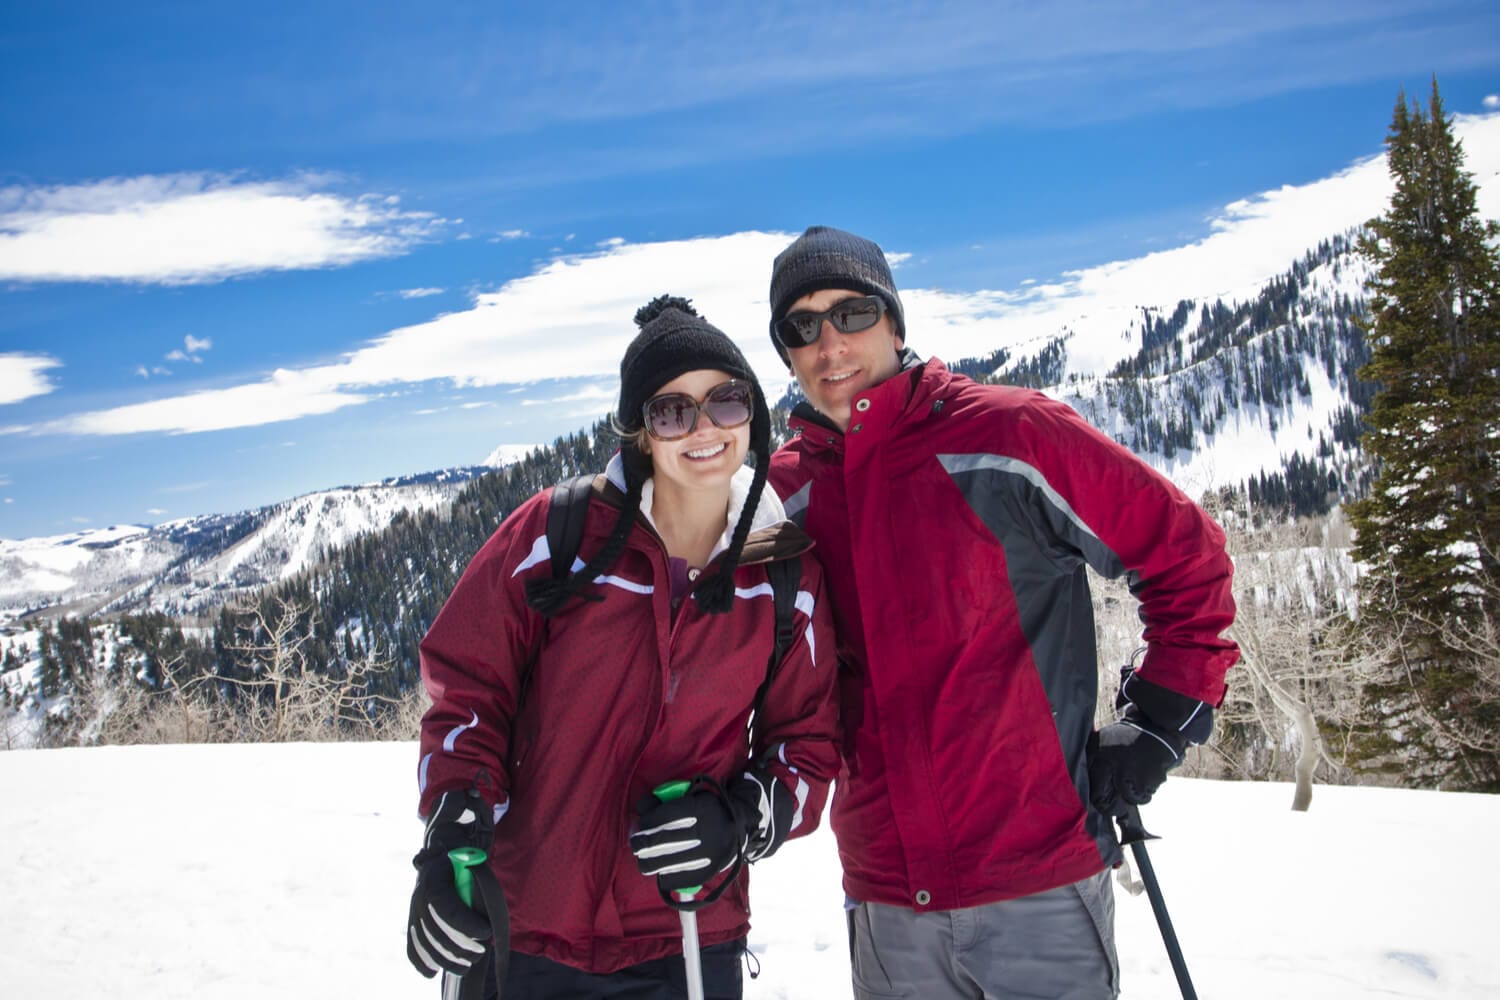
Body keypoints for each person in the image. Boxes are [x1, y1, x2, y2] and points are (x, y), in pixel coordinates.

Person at [764, 226, 1239, 1000]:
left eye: (850, 313)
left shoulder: (1009, 436)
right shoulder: (786, 495)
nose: (830, 343)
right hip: (887, 901)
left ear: (894, 321)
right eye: (801, 326)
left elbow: (1185, 554)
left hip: (1040, 884)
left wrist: (1160, 719)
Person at [406, 295, 841, 999]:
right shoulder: (557, 537)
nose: (703, 428)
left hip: (687, 934)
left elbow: (809, 744)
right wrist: (454, 818)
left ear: (752, 417)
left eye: (726, 403)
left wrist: (741, 820)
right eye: (672, 411)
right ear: (642, 432)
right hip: (523, 927)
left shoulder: (784, 575)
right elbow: (469, 688)